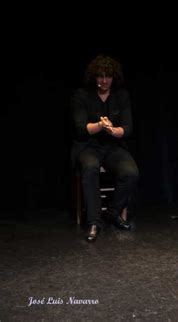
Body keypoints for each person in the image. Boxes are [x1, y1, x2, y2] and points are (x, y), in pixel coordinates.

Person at [71, 55, 139, 242]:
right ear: (94, 77)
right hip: (88, 146)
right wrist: (100, 126)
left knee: (131, 173)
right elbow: (80, 128)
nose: (104, 81)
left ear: (113, 77)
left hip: (112, 146)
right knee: (90, 167)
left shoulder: (121, 95)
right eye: (100, 76)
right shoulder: (82, 95)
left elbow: (127, 128)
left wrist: (113, 130)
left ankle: (113, 212)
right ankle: (94, 222)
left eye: (107, 76)